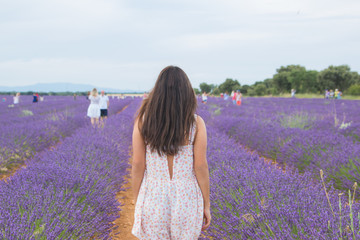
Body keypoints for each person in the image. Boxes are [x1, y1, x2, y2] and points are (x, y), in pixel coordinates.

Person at [132, 66, 211, 239]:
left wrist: (136, 199)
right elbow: (200, 166)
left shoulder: (143, 122)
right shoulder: (196, 124)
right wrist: (206, 204)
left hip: (154, 195)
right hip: (187, 197)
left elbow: (138, 164)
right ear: (186, 93)